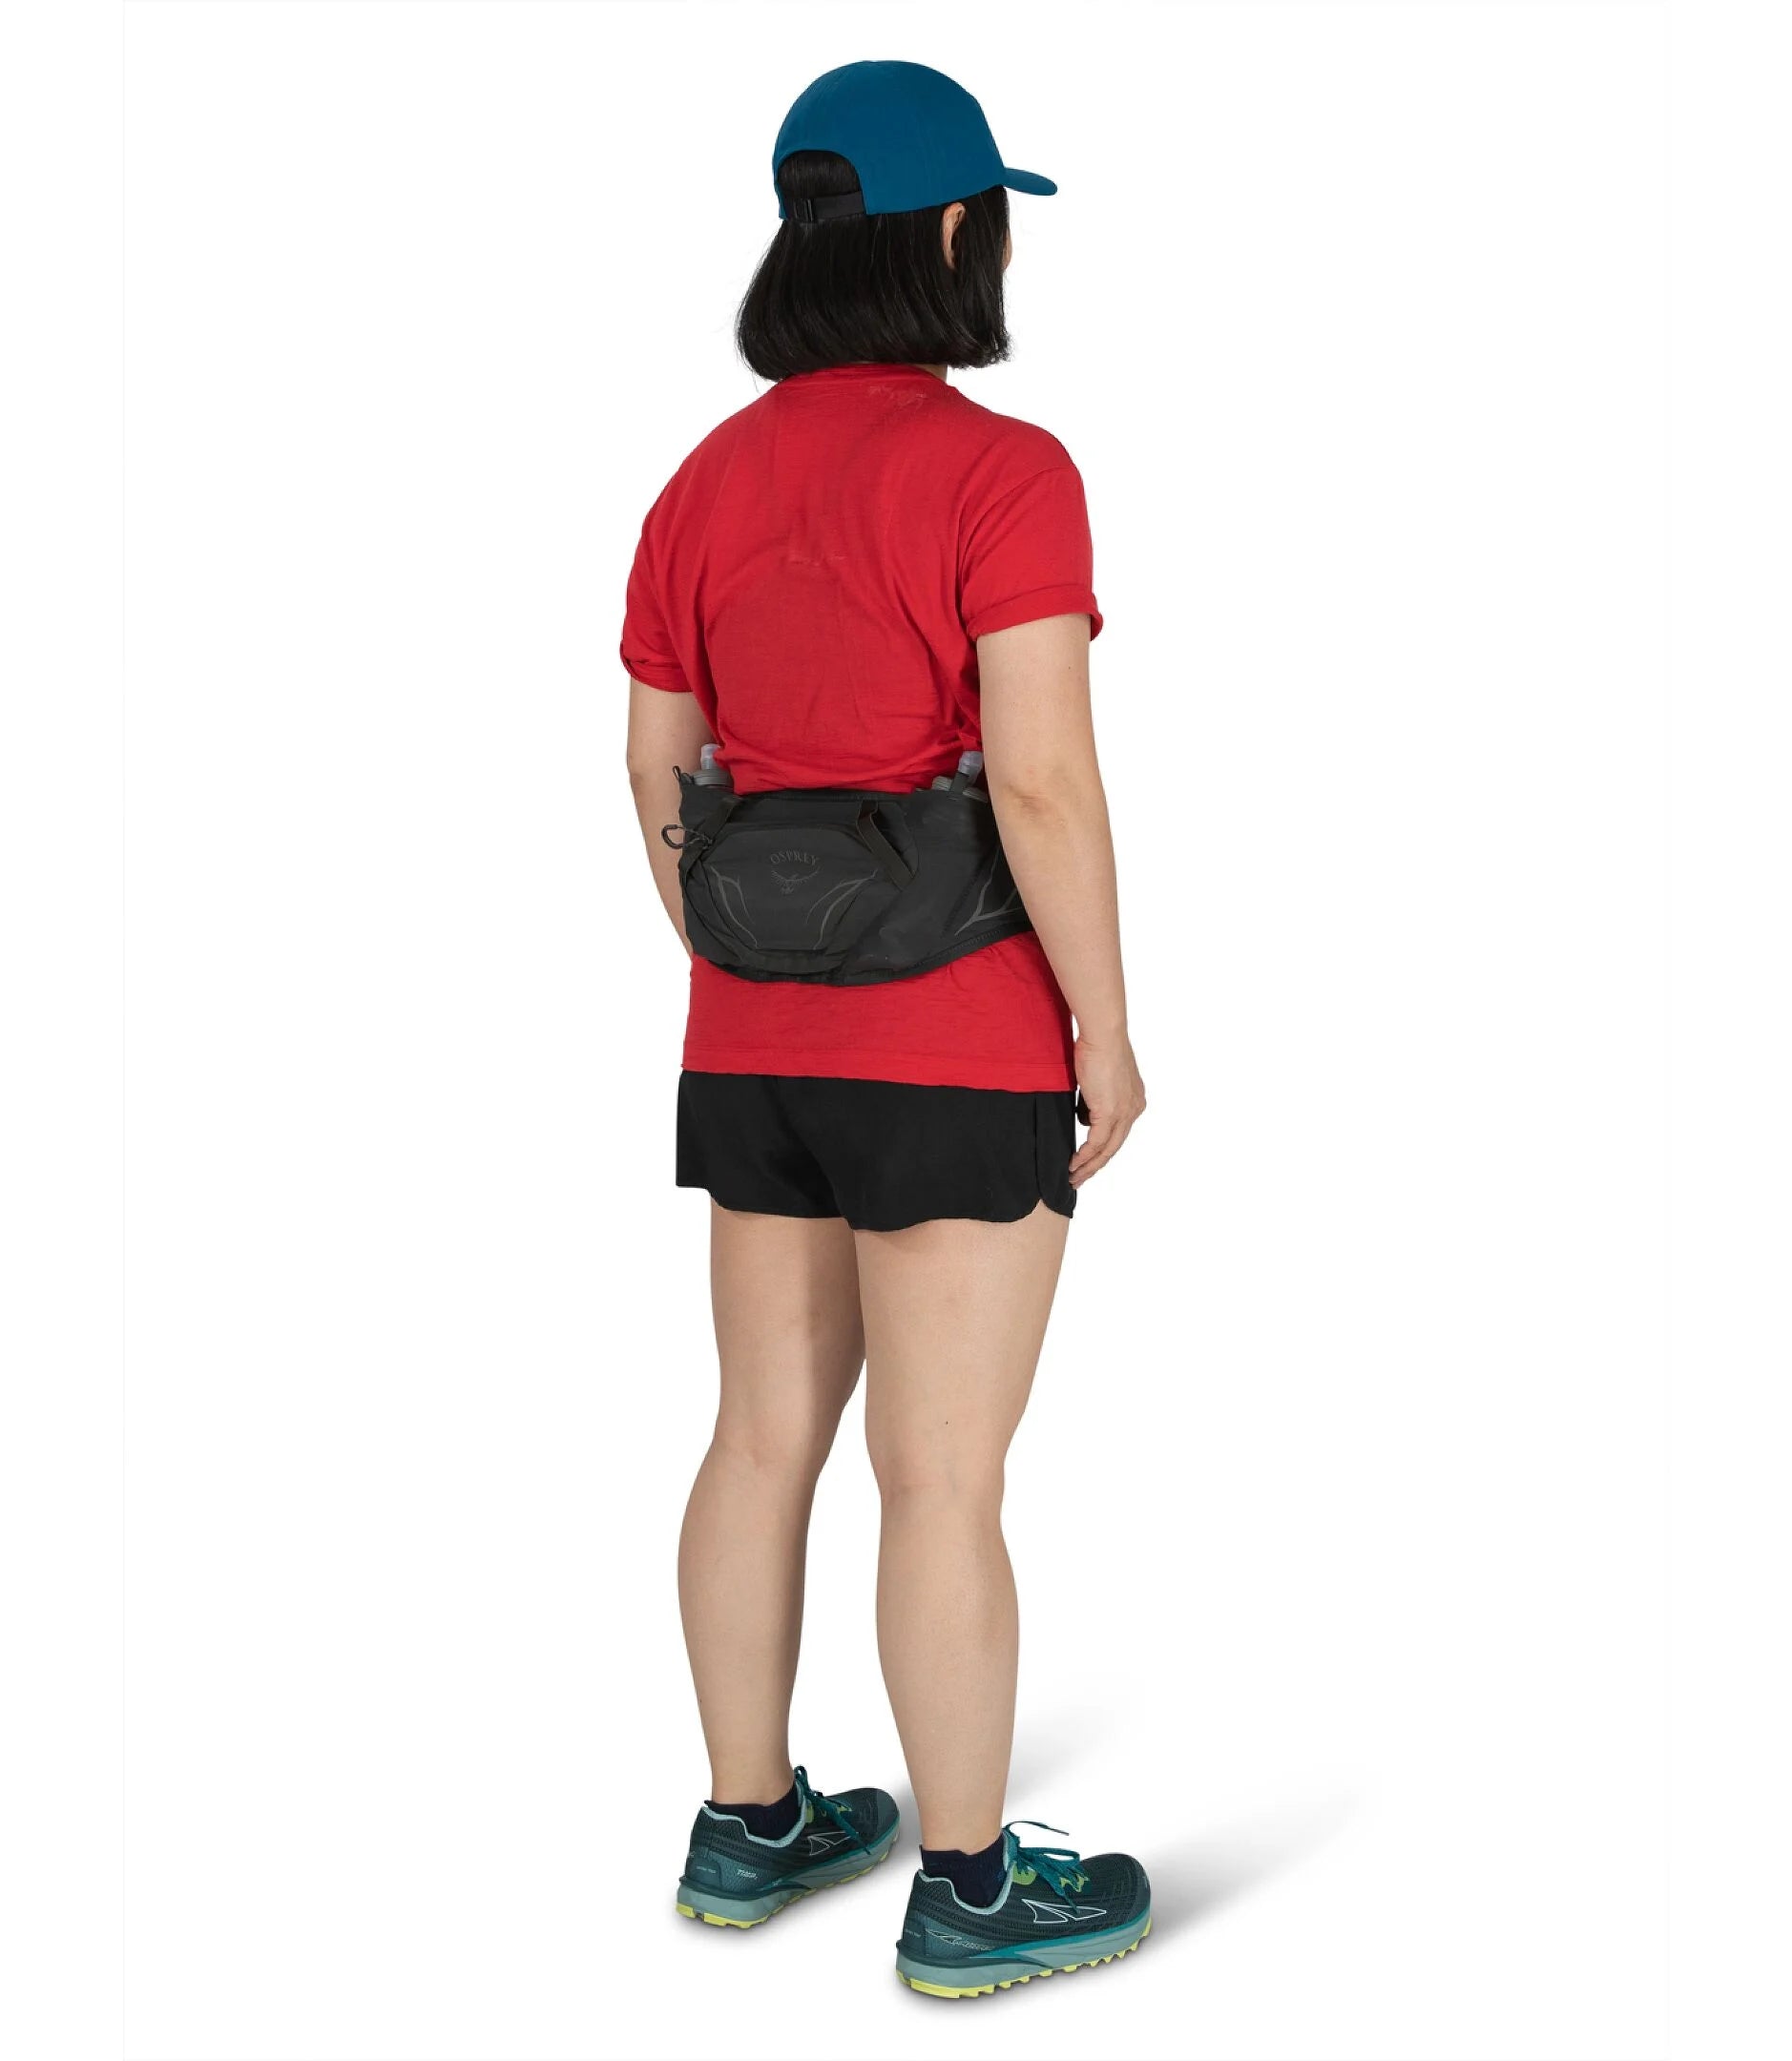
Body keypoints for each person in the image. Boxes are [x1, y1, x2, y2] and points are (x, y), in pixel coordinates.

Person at [620, 60, 1150, 1998]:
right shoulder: (1005, 474)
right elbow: (1044, 787)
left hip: (749, 1048)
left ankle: (748, 1823)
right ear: (948, 229)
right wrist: (1103, 1028)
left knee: (760, 1434)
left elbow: (655, 768)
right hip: (955, 1047)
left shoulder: (703, 478)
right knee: (939, 1474)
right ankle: (971, 1891)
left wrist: (748, 963)